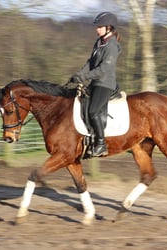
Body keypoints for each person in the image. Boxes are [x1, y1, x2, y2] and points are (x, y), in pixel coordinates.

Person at [69, 12, 122, 157]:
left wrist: (85, 76)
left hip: (105, 84)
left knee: (93, 111)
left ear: (109, 28)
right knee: (80, 103)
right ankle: (88, 139)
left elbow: (104, 69)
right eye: (97, 27)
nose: (97, 29)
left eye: (100, 27)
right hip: (95, 82)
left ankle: (100, 144)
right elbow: (90, 63)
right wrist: (79, 75)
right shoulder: (99, 43)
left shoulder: (112, 46)